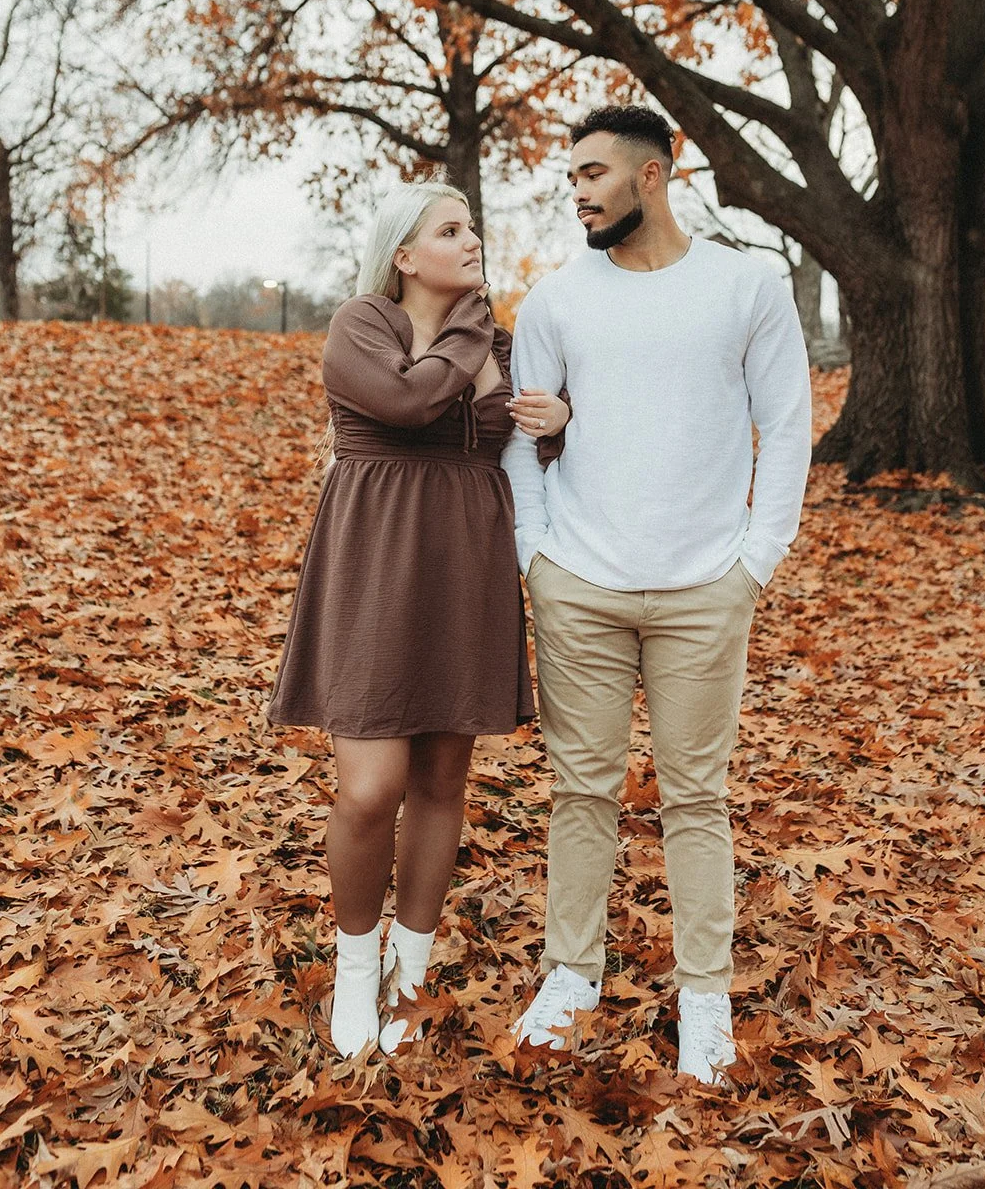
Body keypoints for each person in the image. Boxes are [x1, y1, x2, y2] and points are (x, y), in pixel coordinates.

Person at [501, 105, 811, 1083]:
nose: (577, 191)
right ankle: (569, 976)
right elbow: (523, 432)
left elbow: (788, 425)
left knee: (694, 797)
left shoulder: (743, 286)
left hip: (701, 590)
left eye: (592, 172)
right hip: (578, 586)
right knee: (580, 791)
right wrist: (533, 555)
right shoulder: (556, 298)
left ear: (651, 174)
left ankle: (704, 998)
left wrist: (752, 562)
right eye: (569, 179)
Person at [267, 181, 568, 1059]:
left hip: (463, 569)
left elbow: (533, 442)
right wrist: (473, 332)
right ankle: (356, 968)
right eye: (449, 229)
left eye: (472, 224)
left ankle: (412, 968)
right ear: (405, 255)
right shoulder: (362, 324)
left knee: (440, 782)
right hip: (373, 563)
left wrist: (560, 417)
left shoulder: (499, 346)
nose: (471, 238)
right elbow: (407, 403)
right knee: (368, 789)